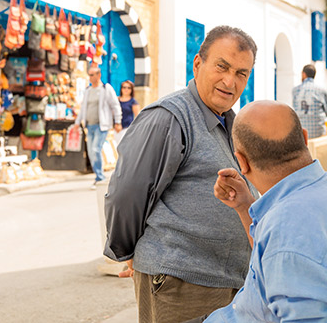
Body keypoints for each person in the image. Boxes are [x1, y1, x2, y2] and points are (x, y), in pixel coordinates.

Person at [104, 25, 259, 323]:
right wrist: (129, 252)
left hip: (228, 283)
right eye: (222, 67)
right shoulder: (169, 117)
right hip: (180, 284)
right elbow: (127, 192)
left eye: (242, 73)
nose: (230, 81)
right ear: (198, 63)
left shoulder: (232, 123)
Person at [197, 100, 327, 322]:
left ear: (242, 162)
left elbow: (290, 248)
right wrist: (244, 206)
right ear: (305, 139)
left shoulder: (288, 232)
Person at [76, 65, 122, 188]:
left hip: (101, 126)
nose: (90, 77)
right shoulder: (87, 91)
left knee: (96, 149)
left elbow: (115, 106)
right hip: (89, 126)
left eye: (92, 75)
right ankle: (98, 176)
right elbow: (83, 109)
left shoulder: (106, 89)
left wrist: (118, 121)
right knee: (91, 152)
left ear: (98, 75)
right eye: (89, 75)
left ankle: (100, 177)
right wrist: (77, 123)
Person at [291, 64, 327, 139]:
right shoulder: (321, 90)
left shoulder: (295, 90)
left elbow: (294, 111)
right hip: (318, 132)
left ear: (303, 74)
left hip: (302, 133)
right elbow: (326, 112)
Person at [115, 80, 140, 144]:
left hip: (127, 129)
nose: (126, 89)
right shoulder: (116, 100)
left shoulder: (133, 102)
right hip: (116, 129)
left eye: (129, 88)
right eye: (124, 87)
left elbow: (138, 117)